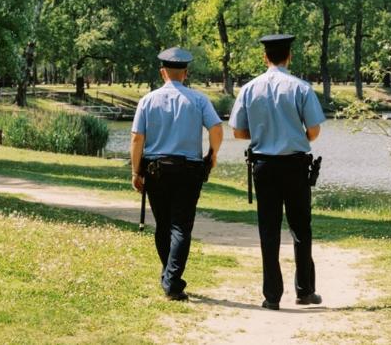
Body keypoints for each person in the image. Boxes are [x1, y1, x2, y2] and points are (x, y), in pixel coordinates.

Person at [229, 34, 325, 311]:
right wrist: (297, 134)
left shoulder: (249, 89)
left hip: (263, 165)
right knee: (300, 228)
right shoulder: (301, 88)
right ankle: (305, 290)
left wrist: (260, 133)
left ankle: (272, 296)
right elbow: (315, 130)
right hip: (295, 164)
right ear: (289, 56)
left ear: (265, 57)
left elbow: (237, 131)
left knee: (268, 229)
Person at [130, 47, 223, 301]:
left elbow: (137, 138)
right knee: (181, 226)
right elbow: (216, 128)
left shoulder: (147, 100)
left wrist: (135, 171)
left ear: (163, 73)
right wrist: (212, 155)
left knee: (163, 225)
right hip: (189, 170)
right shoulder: (199, 100)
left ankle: (169, 276)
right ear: (186, 73)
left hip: (156, 169)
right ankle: (171, 281)